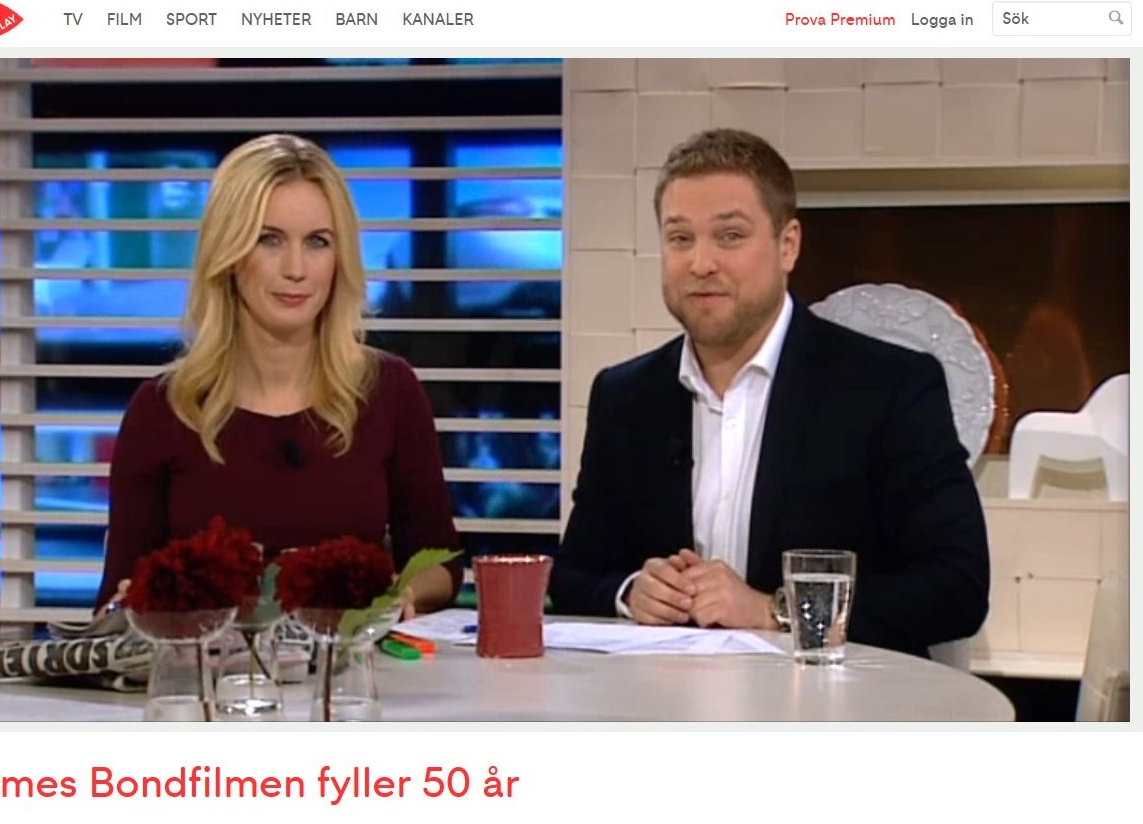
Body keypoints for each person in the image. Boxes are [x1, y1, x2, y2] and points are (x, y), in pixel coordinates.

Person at [549, 128, 989, 658]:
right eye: (680, 238)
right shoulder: (624, 397)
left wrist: (777, 611)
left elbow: (957, 586)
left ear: (788, 246)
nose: (700, 263)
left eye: (730, 236)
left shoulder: (890, 386)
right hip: (665, 697)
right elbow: (573, 575)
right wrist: (630, 593)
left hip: (836, 702)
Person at [94, 133, 461, 615]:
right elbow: (117, 596)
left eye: (317, 242)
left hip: (346, 660)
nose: (296, 269)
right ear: (228, 253)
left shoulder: (388, 391)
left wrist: (402, 596)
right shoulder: (163, 410)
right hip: (208, 661)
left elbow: (440, 563)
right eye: (269, 239)